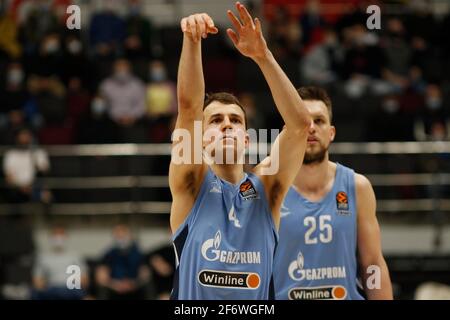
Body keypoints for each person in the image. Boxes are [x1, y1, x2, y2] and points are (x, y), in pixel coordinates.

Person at [169, 2, 311, 300]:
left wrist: (263, 56)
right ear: (202, 138)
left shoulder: (267, 184)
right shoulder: (191, 183)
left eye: (235, 121)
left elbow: (300, 126)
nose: (226, 125)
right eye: (216, 120)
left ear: (246, 139)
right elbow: (189, 107)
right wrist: (192, 41)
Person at [273, 86, 393, 300]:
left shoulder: (357, 187)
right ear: (288, 131)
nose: (311, 128)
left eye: (319, 121)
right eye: (303, 122)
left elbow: (373, 264)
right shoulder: (270, 189)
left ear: (331, 133)